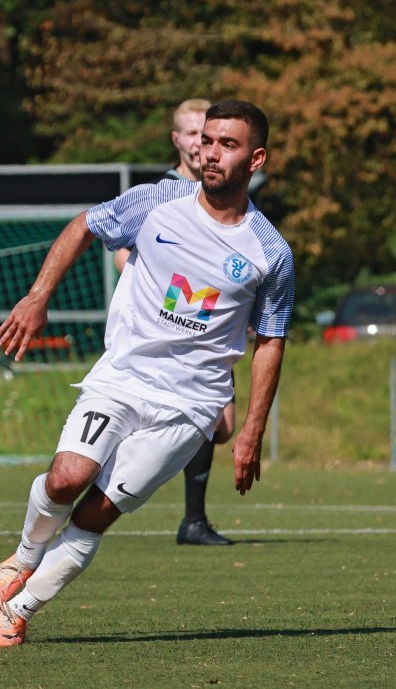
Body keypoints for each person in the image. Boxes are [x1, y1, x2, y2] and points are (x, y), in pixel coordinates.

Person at [0, 100, 293, 648]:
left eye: (227, 145)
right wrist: (38, 296)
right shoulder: (157, 201)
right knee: (67, 478)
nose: (210, 153)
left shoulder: (270, 252)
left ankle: (19, 610)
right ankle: (22, 559)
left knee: (97, 512)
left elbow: (271, 340)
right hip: (122, 377)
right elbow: (83, 226)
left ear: (256, 157)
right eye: (207, 141)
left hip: (190, 407)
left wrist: (252, 431)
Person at [115, 98, 237, 546]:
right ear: (177, 140)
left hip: (211, 325)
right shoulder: (160, 192)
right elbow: (119, 251)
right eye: (191, 134)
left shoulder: (225, 190)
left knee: (222, 429)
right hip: (165, 325)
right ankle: (193, 521)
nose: (199, 144)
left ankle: (188, 512)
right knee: (205, 419)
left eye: (206, 135)